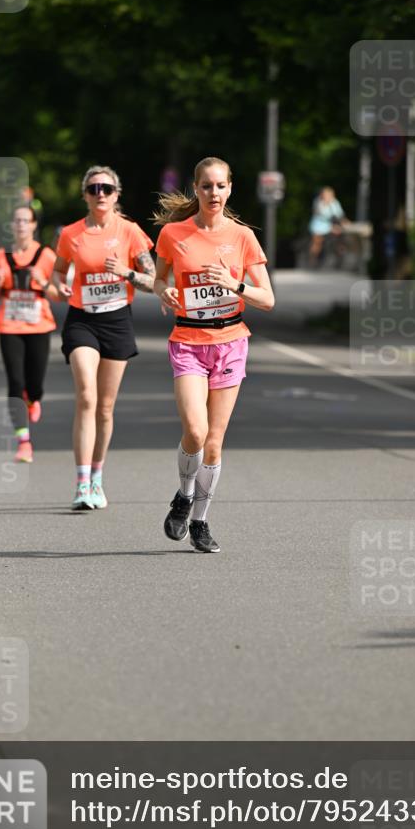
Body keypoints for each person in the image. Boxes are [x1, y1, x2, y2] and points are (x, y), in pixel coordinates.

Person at [153, 156, 275, 553]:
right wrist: (164, 291)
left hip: (231, 342)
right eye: (206, 186)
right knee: (195, 431)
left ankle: (201, 521)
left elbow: (268, 299)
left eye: (220, 186)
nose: (214, 193)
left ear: (230, 189)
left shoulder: (242, 237)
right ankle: (184, 496)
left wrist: (234, 285)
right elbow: (160, 278)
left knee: (215, 442)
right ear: (196, 189)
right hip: (188, 341)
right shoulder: (173, 234)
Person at [52, 165, 155, 510]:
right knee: (86, 396)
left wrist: (125, 272)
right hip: (81, 320)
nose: (100, 194)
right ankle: (81, 484)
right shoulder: (71, 234)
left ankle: (97, 477)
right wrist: (58, 284)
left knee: (106, 407)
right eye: (94, 188)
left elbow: (153, 279)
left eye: (106, 189)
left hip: (117, 321)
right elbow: (55, 270)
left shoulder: (130, 232)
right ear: (84, 194)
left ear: (116, 194)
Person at [0, 205, 59, 463]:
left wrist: (42, 283)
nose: (20, 225)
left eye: (25, 221)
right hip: (9, 325)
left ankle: (35, 398)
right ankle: (23, 441)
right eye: (16, 220)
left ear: (33, 225)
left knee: (35, 383)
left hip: (39, 325)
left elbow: (58, 294)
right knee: (15, 382)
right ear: (11, 225)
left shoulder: (46, 255)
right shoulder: (0, 256)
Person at [308, 186, 350, 268]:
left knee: (341, 238)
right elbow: (323, 215)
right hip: (319, 225)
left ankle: (340, 259)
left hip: (332, 225)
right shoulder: (318, 202)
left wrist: (345, 222)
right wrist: (332, 227)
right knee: (317, 242)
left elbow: (340, 215)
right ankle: (313, 260)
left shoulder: (335, 202)